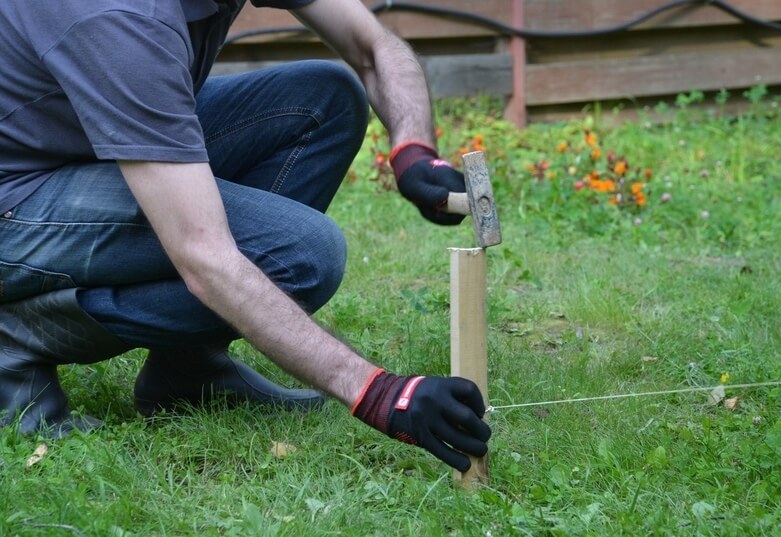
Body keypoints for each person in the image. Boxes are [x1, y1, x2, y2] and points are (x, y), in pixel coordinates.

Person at [0, 0, 490, 472]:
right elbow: (205, 257)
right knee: (300, 255)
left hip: (76, 135)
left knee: (326, 99)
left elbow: (372, 45)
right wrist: (378, 392)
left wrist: (413, 148)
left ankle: (188, 371)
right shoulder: (123, 18)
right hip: (19, 192)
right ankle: (15, 335)